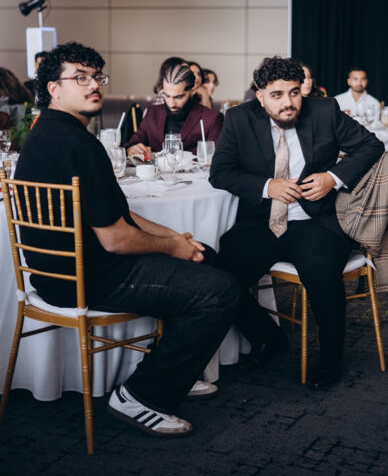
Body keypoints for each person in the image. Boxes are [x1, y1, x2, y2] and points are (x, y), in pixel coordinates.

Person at [14, 42, 239, 437]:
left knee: (204, 256)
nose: (94, 85)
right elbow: (117, 239)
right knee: (219, 291)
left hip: (55, 273)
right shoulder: (79, 144)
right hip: (88, 277)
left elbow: (117, 213)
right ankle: (141, 395)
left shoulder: (45, 133)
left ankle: (170, 371)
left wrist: (175, 237)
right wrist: (172, 247)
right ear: (53, 88)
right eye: (80, 78)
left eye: (97, 76)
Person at [209, 56, 383, 389]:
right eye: (277, 95)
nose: (288, 102)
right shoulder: (238, 118)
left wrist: (332, 178)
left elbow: (370, 145)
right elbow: (221, 173)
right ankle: (268, 337)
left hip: (315, 222)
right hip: (261, 223)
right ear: (260, 95)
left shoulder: (324, 111)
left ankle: (330, 361)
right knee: (220, 278)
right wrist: (267, 186)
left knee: (321, 273)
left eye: (293, 92)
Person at [126, 59, 223, 157]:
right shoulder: (153, 112)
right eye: (167, 96)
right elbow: (133, 142)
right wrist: (132, 149)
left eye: (179, 97)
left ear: (192, 91)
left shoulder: (212, 118)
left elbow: (217, 157)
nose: (171, 104)